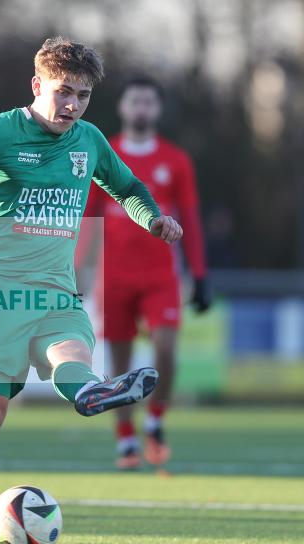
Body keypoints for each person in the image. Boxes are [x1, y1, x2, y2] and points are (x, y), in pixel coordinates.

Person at [0, 37, 183, 544]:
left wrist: (151, 217)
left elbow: (127, 187)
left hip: (57, 290)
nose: (73, 105)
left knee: (72, 357)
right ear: (37, 85)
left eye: (84, 95)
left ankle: (91, 394)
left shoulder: (88, 140)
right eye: (64, 92)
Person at [76, 76, 210, 470]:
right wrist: (75, 267)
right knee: (119, 363)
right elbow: (89, 215)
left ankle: (155, 421)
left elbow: (191, 220)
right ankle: (125, 439)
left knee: (166, 349)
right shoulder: (104, 153)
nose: (141, 109)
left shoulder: (176, 160)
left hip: (160, 277)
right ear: (122, 107)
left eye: (148, 102)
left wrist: (200, 274)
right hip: (113, 276)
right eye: (134, 101)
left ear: (157, 109)